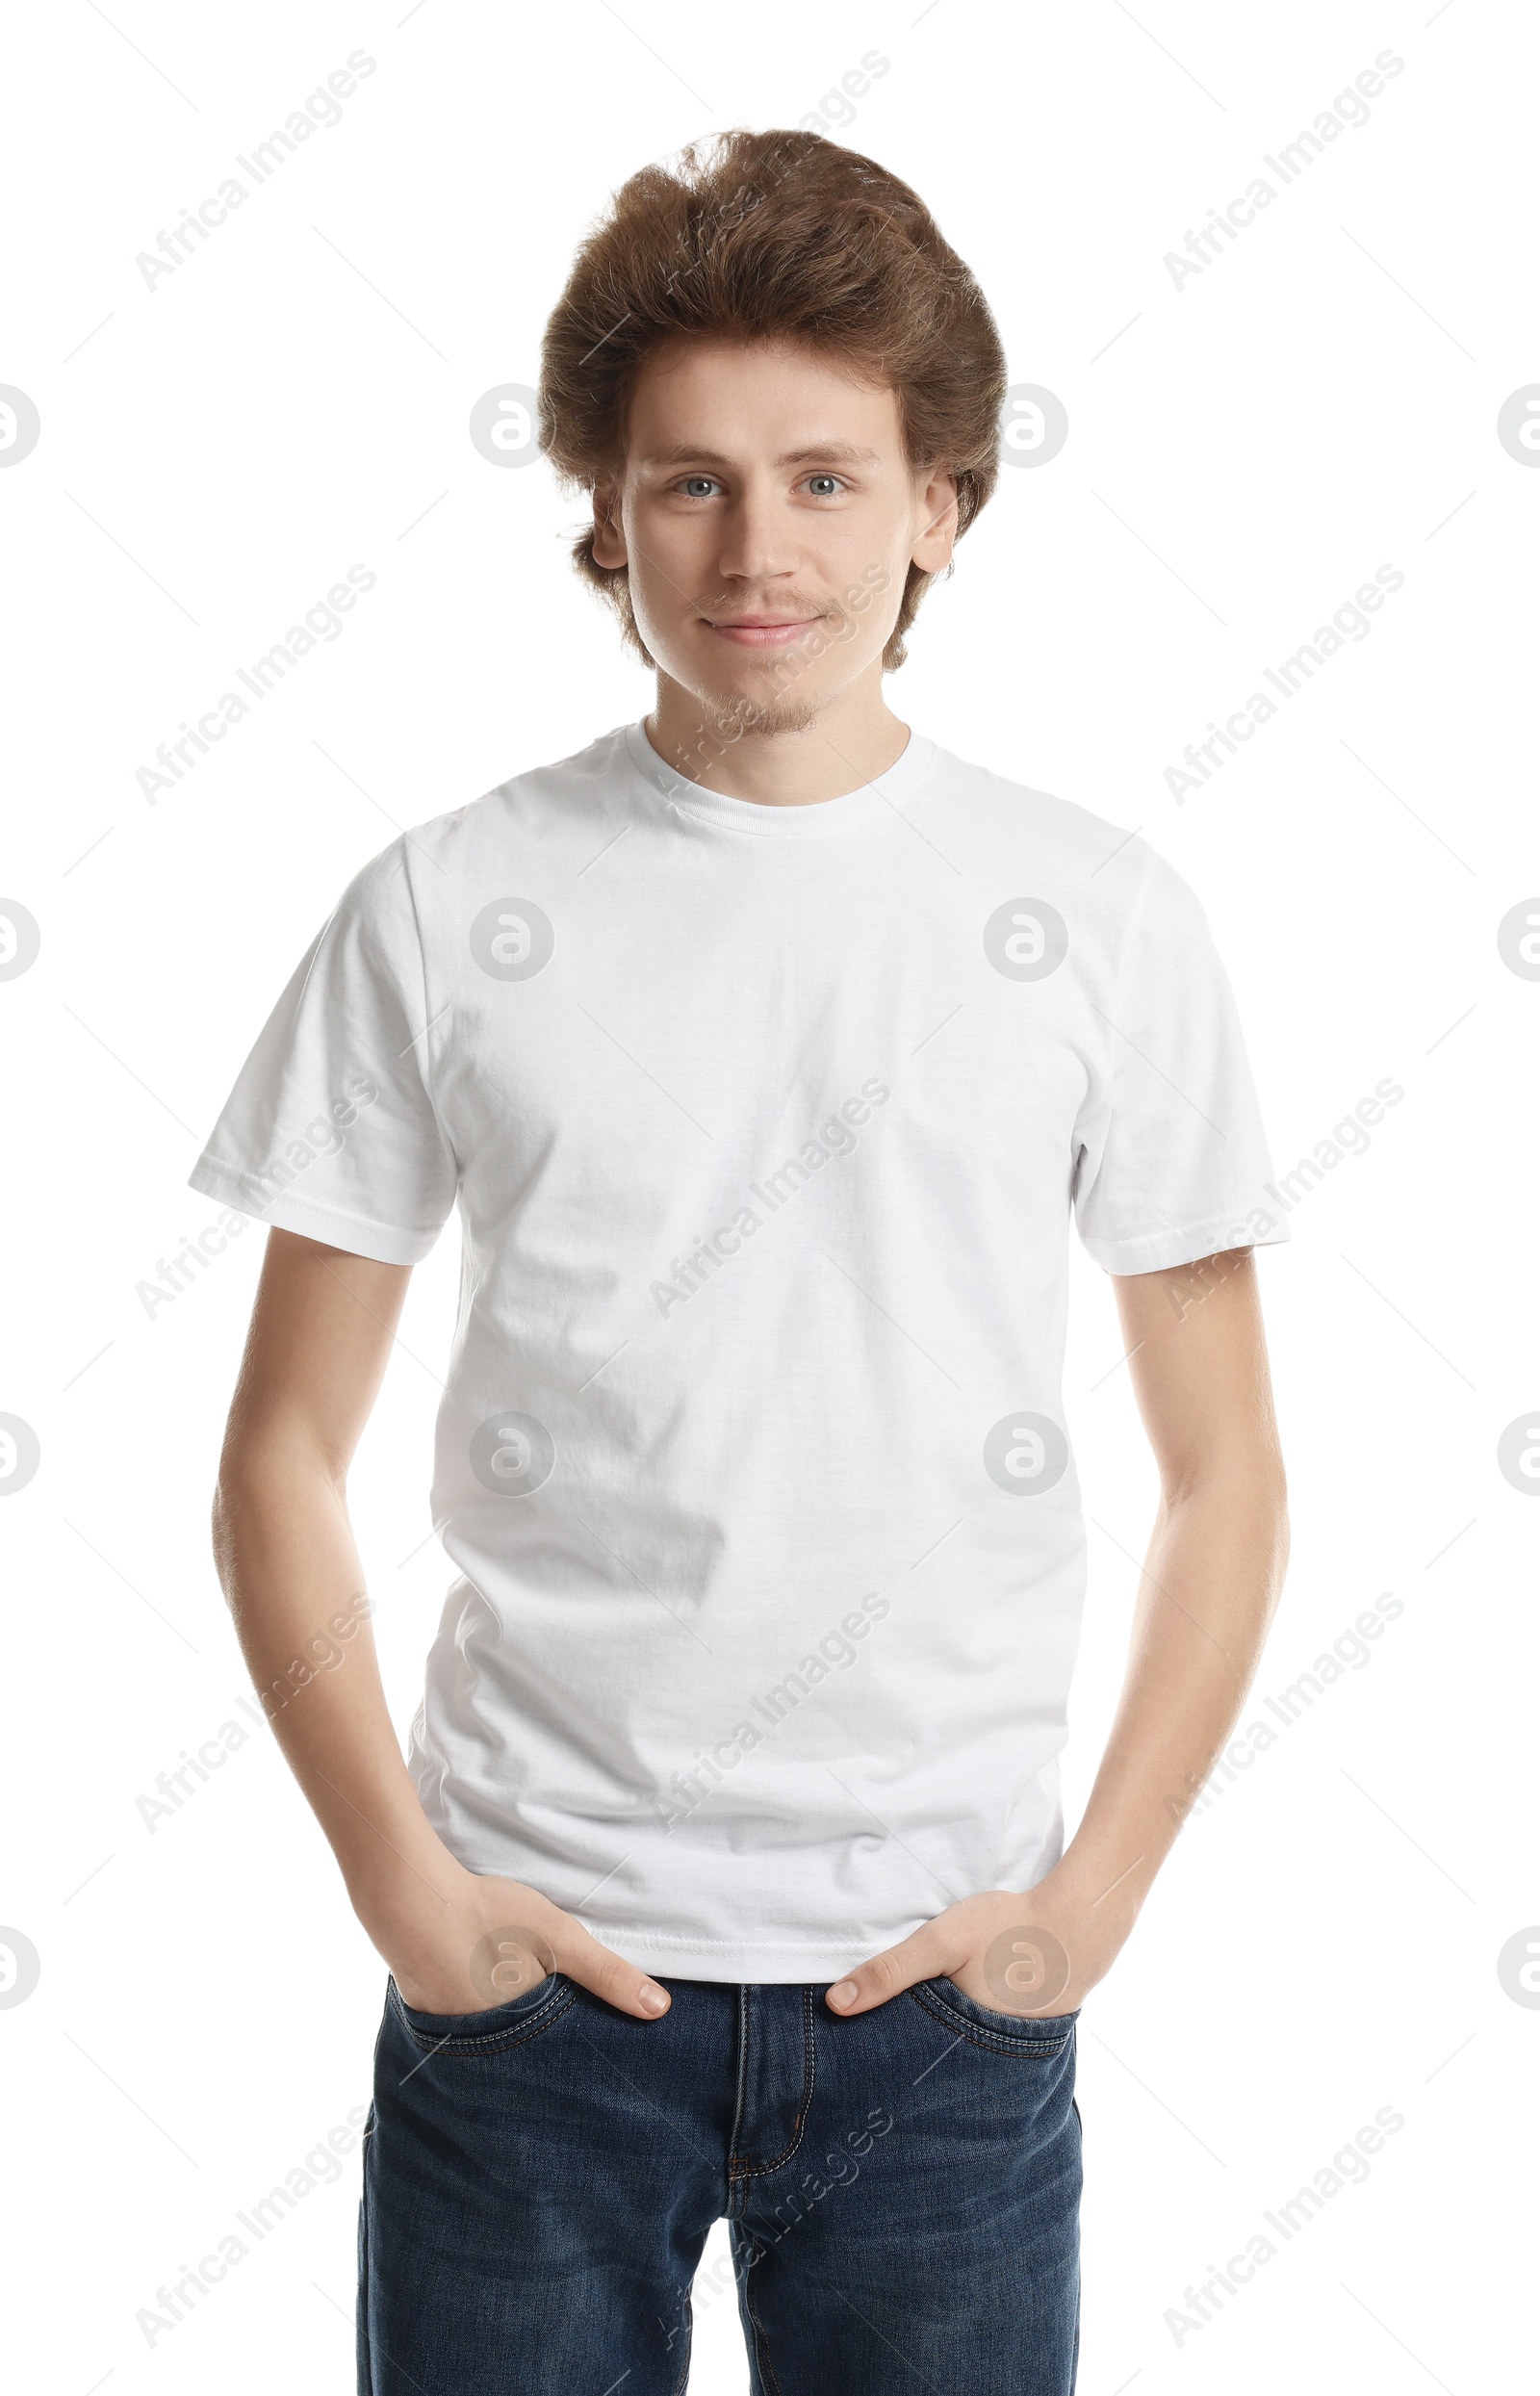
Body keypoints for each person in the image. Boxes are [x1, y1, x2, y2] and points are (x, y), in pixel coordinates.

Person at [192, 129, 1290, 2396]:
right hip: (536, 2001)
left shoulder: (1094, 922)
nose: (754, 550)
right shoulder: (444, 907)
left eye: (820, 478)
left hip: (940, 2017)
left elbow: (1227, 1476)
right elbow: (280, 1453)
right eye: (687, 484)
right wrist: (407, 1892)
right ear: (603, 516)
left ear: (939, 508)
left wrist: (1085, 1909)